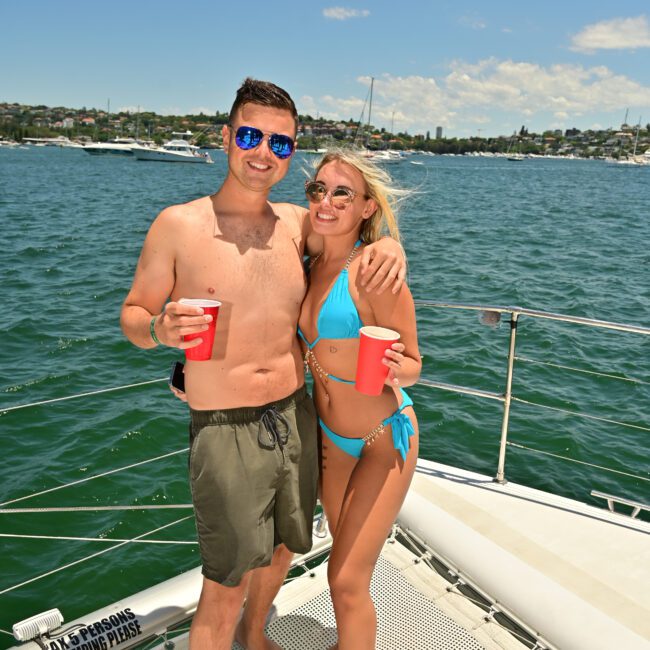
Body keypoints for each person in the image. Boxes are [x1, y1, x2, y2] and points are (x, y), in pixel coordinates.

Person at [120, 78, 406, 650]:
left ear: (291, 152)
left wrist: (389, 244)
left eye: (279, 142)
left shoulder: (296, 224)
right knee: (223, 587)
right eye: (250, 135)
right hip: (225, 427)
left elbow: (351, 235)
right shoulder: (177, 225)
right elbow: (132, 314)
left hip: (296, 415)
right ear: (226, 137)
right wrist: (159, 329)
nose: (262, 152)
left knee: (283, 548)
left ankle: (258, 637)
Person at [298, 149, 421, 649]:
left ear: (368, 206)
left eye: (342, 193)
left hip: (381, 439)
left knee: (345, 579)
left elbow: (413, 361)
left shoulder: (373, 271)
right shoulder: (308, 261)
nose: (326, 201)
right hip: (331, 440)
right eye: (318, 190)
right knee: (345, 572)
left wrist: (397, 368)